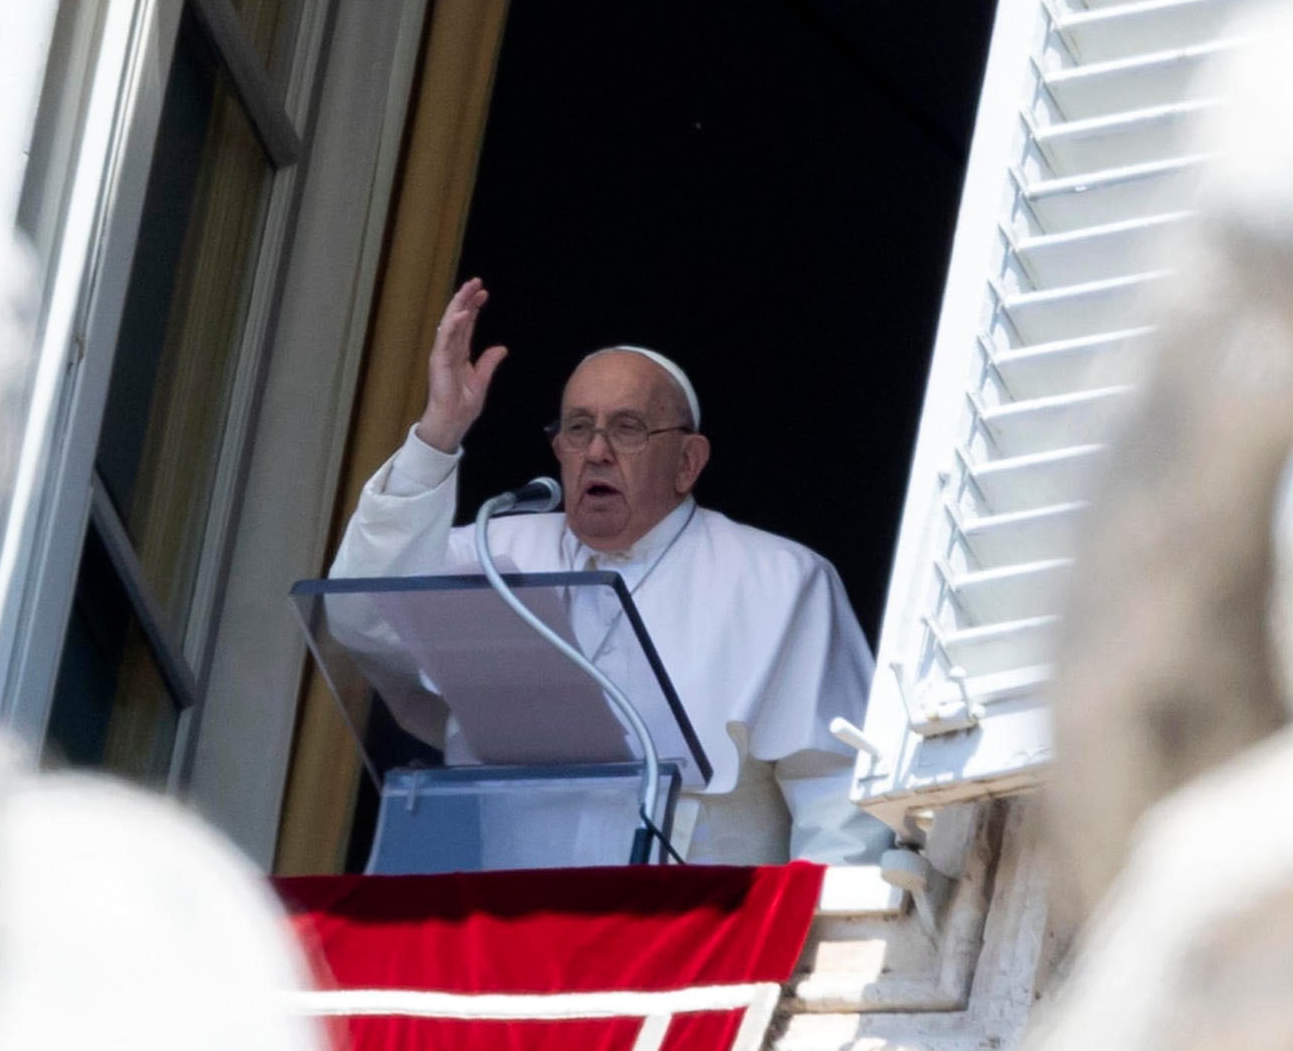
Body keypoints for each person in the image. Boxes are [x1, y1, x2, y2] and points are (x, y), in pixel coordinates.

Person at [329, 278, 890, 866]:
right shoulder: (494, 554)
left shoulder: (780, 581)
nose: (596, 451)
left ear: (688, 462)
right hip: (515, 927)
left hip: (696, 942)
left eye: (627, 429)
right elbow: (358, 612)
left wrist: (815, 944)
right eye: (577, 428)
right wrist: (438, 434)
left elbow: (837, 796)